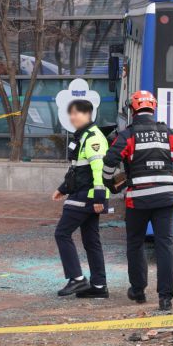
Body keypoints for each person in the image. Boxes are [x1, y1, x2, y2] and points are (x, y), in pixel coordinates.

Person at [103, 90, 173, 311]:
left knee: (135, 244)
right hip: (166, 199)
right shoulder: (167, 133)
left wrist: (111, 182)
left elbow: (110, 160)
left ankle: (138, 291)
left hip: (138, 200)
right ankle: (165, 298)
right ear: (153, 108)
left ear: (133, 109)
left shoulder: (128, 135)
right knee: (164, 245)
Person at [52, 100, 109, 298]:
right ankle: (99, 286)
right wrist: (63, 188)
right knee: (91, 240)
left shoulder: (93, 137)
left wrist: (99, 198)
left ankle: (77, 279)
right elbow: (78, 170)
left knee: (62, 233)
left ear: (87, 114)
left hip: (88, 195)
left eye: (75, 113)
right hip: (88, 194)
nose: (72, 117)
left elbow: (98, 169)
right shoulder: (84, 135)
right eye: (71, 114)